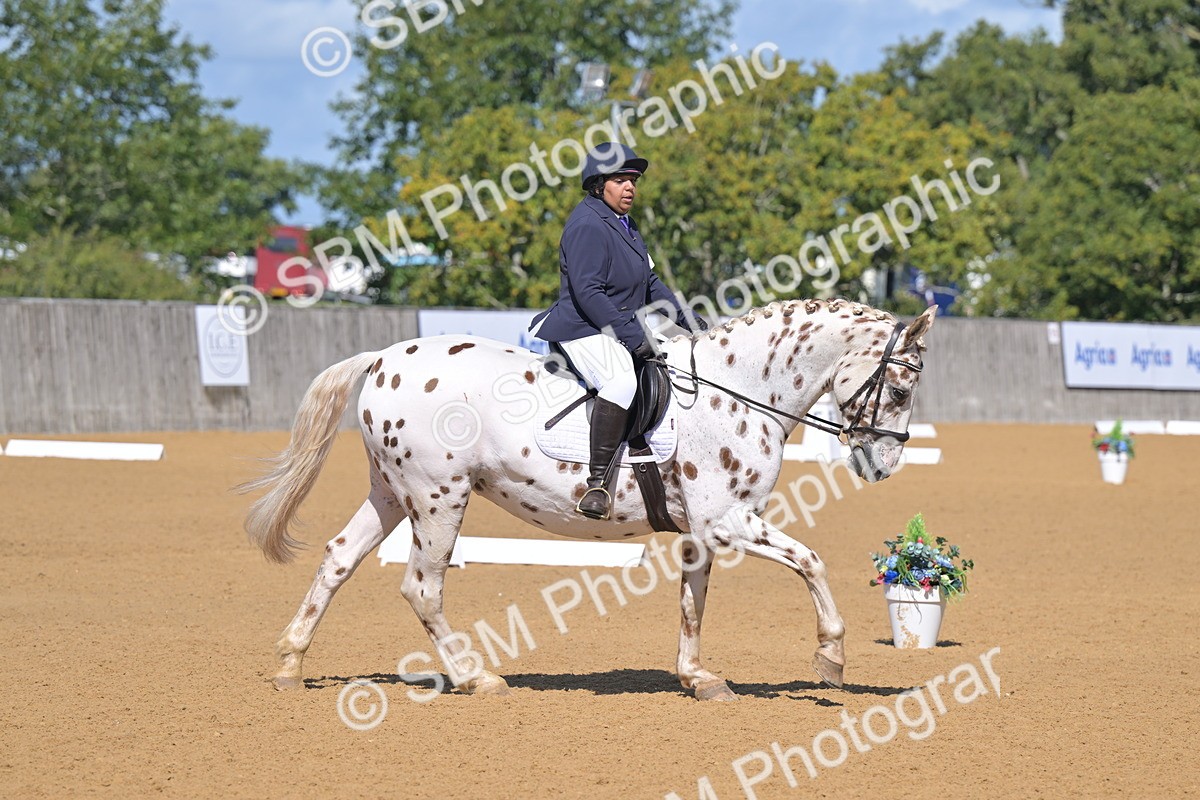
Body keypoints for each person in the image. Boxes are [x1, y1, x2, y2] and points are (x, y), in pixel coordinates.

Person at [529, 142, 706, 520]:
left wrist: (687, 318)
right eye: (620, 179)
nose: (630, 187)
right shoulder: (587, 225)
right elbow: (588, 292)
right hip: (583, 327)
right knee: (621, 381)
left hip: (613, 325)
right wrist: (630, 335)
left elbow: (650, 282)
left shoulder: (626, 225)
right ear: (598, 184)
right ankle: (597, 484)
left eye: (634, 180)